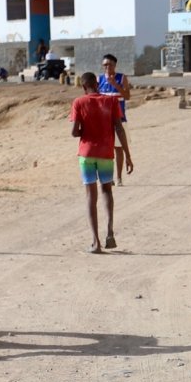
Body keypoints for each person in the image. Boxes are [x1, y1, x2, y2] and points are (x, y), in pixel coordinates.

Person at [70, 71, 133, 254]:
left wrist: (86, 132)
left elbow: (74, 132)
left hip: (86, 155)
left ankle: (95, 242)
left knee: (91, 196)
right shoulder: (111, 101)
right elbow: (119, 128)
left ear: (83, 87)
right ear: (97, 84)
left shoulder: (79, 102)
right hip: (106, 153)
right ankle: (110, 231)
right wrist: (127, 155)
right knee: (107, 191)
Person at [97, 53, 131, 186]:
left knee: (119, 148)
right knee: (105, 150)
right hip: (104, 122)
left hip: (120, 120)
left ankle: (119, 177)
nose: (107, 67)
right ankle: (107, 177)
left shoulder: (122, 78)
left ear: (115, 65)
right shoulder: (99, 80)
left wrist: (115, 85)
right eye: (105, 65)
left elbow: (127, 96)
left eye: (109, 64)